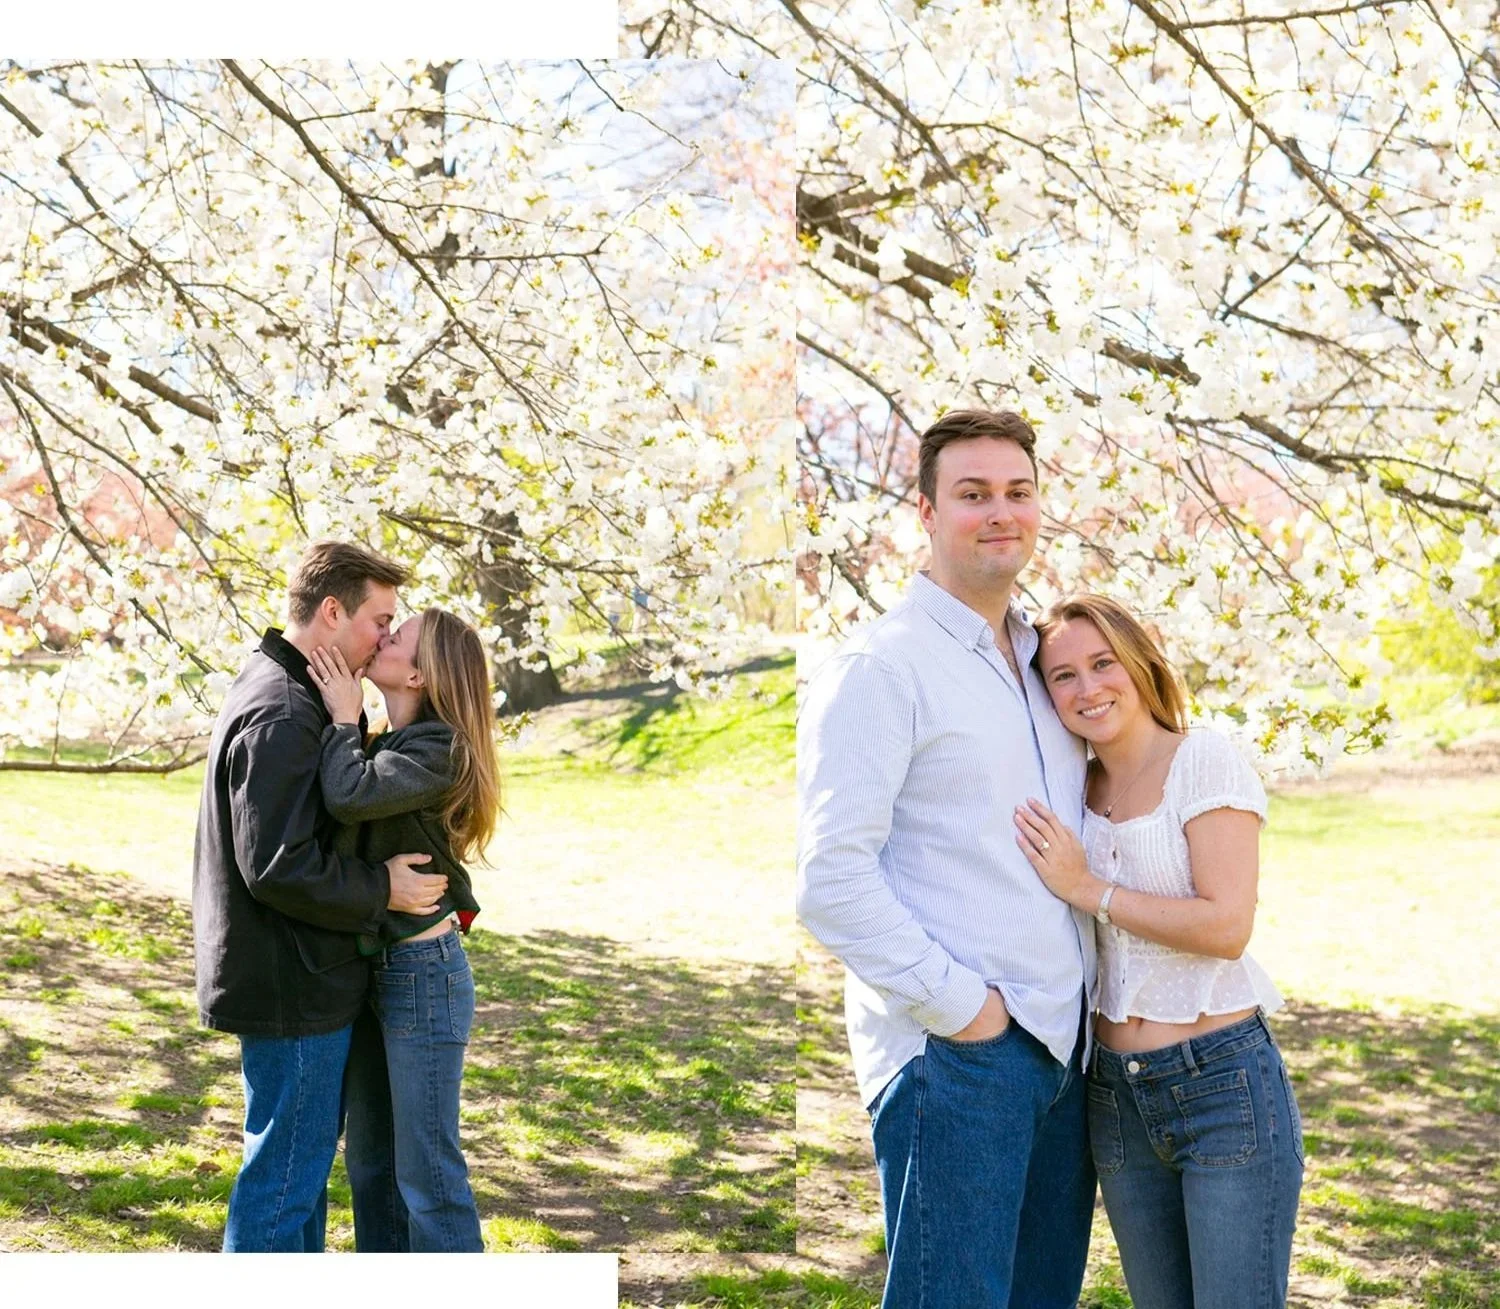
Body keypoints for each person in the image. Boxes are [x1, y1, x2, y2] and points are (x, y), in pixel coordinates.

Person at [797, 409, 1097, 1308]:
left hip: (1062, 1053)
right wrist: (967, 1013)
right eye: (973, 494)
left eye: (1018, 492)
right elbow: (831, 882)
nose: (1000, 512)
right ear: (925, 513)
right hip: (959, 1057)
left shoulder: (1051, 664)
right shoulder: (883, 668)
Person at [1014, 593, 1303, 1308]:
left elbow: (1227, 924)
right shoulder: (1071, 785)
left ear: (1140, 662)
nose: (1088, 688)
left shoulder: (1202, 759)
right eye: (1063, 675)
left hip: (1222, 1084)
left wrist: (1091, 888)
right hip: (1114, 1095)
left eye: (1103, 662)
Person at [192, 540, 448, 1252]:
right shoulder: (282, 709)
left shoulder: (296, 693)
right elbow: (276, 863)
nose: (384, 637)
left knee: (297, 1190)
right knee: (282, 1189)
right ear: (332, 612)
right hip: (290, 984)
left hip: (303, 974)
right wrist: (384, 886)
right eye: (379, 618)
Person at [306, 606, 499, 1252]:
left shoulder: (440, 748)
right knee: (373, 1170)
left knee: (429, 1178)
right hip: (376, 972)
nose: (383, 636)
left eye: (399, 634)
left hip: (422, 978)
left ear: (420, 673)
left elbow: (350, 796)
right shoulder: (392, 738)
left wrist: (340, 717)